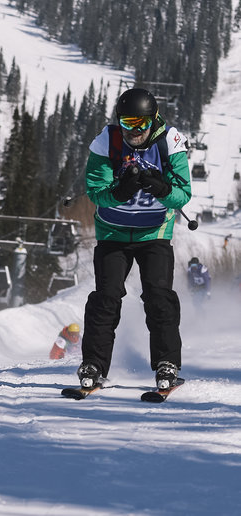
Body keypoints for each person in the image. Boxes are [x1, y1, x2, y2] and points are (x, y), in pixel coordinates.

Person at [77, 87, 192, 391]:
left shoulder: (170, 143)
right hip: (113, 233)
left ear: (153, 120)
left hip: (154, 232)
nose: (133, 131)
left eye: (140, 124)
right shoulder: (107, 143)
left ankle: (167, 362)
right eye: (127, 123)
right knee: (106, 298)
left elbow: (184, 195)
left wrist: (161, 188)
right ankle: (94, 363)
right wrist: (120, 191)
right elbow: (96, 194)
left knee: (158, 296)